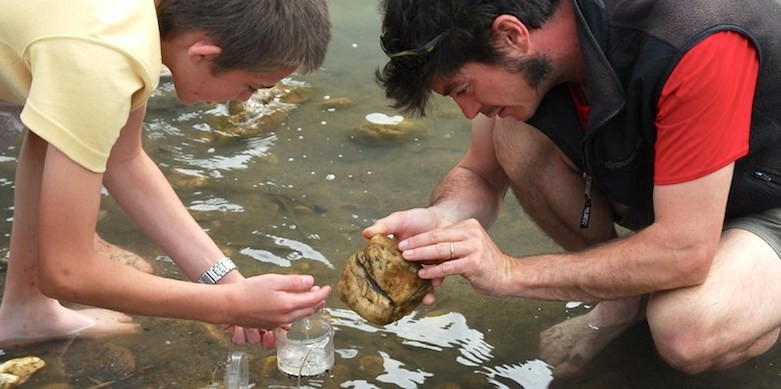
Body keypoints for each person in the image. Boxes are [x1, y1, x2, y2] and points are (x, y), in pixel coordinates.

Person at [366, 0, 781, 378]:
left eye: (462, 89)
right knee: (511, 131)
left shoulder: (696, 39)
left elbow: (685, 252)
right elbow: (480, 175)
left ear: (512, 35)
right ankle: (623, 301)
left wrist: (510, 273)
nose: (468, 110)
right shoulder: (527, 50)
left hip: (767, 194)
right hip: (689, 193)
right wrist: (441, 220)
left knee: (688, 327)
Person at [0, 0, 332, 349]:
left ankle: (27, 309)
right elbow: (67, 271)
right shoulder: (105, 56)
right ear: (202, 54)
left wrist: (228, 283)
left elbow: (122, 159)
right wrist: (232, 305)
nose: (245, 99)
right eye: (251, 86)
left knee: (60, 125)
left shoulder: (135, 21)